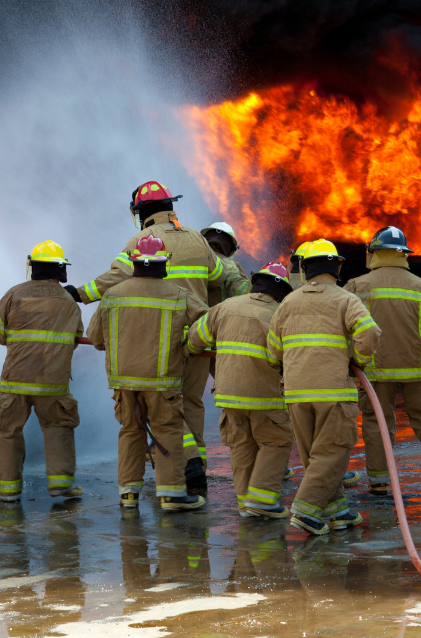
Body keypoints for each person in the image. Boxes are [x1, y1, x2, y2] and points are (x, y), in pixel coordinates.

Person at [75, 181, 224, 496]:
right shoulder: (198, 239)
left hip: (158, 344)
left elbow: (116, 277)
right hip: (197, 340)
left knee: (162, 412)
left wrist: (79, 293)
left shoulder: (142, 240)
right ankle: (194, 478)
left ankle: (173, 477)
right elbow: (218, 278)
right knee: (191, 407)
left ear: (140, 212)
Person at [87, 233, 209, 511]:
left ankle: (128, 495)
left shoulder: (112, 295)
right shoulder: (179, 295)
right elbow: (207, 324)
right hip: (162, 382)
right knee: (167, 431)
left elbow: (95, 338)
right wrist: (189, 344)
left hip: (123, 383)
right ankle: (171, 496)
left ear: (134, 262)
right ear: (164, 263)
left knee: (130, 431)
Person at [267, 240, 381, 535]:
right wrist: (360, 361)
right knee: (332, 454)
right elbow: (368, 332)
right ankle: (305, 510)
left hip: (295, 392)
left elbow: (273, 350)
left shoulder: (288, 302)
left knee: (314, 457)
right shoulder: (346, 300)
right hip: (333, 392)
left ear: (304, 269)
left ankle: (336, 512)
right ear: (338, 268)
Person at [343, 226, 421, 496]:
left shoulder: (356, 286)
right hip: (419, 371)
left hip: (374, 371)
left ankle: (380, 480)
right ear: (404, 254)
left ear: (373, 253)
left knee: (377, 421)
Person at [187, 262, 295, 519]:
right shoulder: (282, 314)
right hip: (266, 395)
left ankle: (246, 504)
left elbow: (194, 340)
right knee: (276, 441)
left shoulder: (224, 307)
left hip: (229, 394)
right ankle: (263, 499)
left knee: (241, 446)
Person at [0, 240, 85, 502]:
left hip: (14, 381)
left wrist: (21, 344)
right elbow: (76, 337)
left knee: (8, 431)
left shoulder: (14, 294)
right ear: (61, 270)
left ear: (33, 266)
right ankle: (61, 484)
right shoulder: (68, 302)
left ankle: (8, 494)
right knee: (59, 426)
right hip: (53, 384)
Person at [201, 221, 253, 306]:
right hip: (219, 316)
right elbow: (245, 295)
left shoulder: (193, 259)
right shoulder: (233, 267)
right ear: (232, 249)